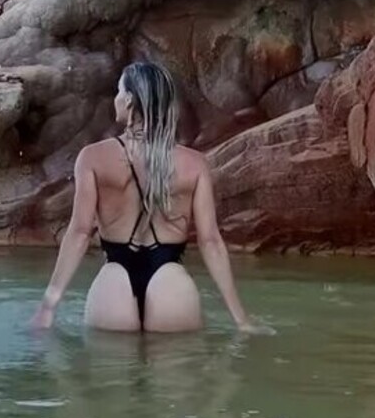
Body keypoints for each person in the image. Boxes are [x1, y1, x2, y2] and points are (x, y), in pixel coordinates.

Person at [30, 61, 257, 334]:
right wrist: (241, 320)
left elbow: (79, 233)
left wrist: (48, 306)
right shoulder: (194, 163)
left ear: (129, 100)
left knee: (111, 362)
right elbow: (210, 242)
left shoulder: (93, 157)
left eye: (118, 92)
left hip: (113, 286)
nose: (115, 99)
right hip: (171, 286)